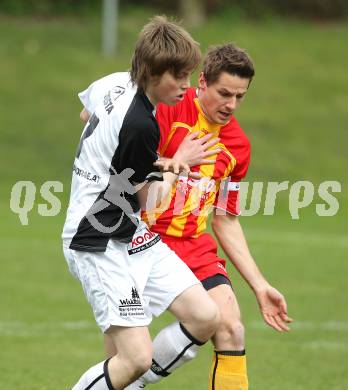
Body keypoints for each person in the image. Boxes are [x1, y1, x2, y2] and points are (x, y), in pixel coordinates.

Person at [79, 43, 293, 389]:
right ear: (203, 82)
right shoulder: (165, 109)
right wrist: (176, 161)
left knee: (231, 328)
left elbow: (225, 218)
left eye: (240, 97)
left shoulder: (238, 146)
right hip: (138, 237)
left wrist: (260, 284)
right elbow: (120, 145)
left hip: (193, 245)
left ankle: (130, 378)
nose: (231, 105)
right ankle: (126, 379)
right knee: (123, 359)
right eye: (225, 93)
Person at [62, 16, 221, 390]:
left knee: (204, 315)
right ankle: (125, 378)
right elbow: (148, 199)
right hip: (97, 236)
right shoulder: (140, 126)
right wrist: (177, 162)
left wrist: (136, 163)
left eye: (188, 74)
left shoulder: (114, 81)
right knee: (135, 358)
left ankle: (125, 383)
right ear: (152, 70)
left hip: (127, 230)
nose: (186, 86)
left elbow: (86, 114)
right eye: (178, 76)